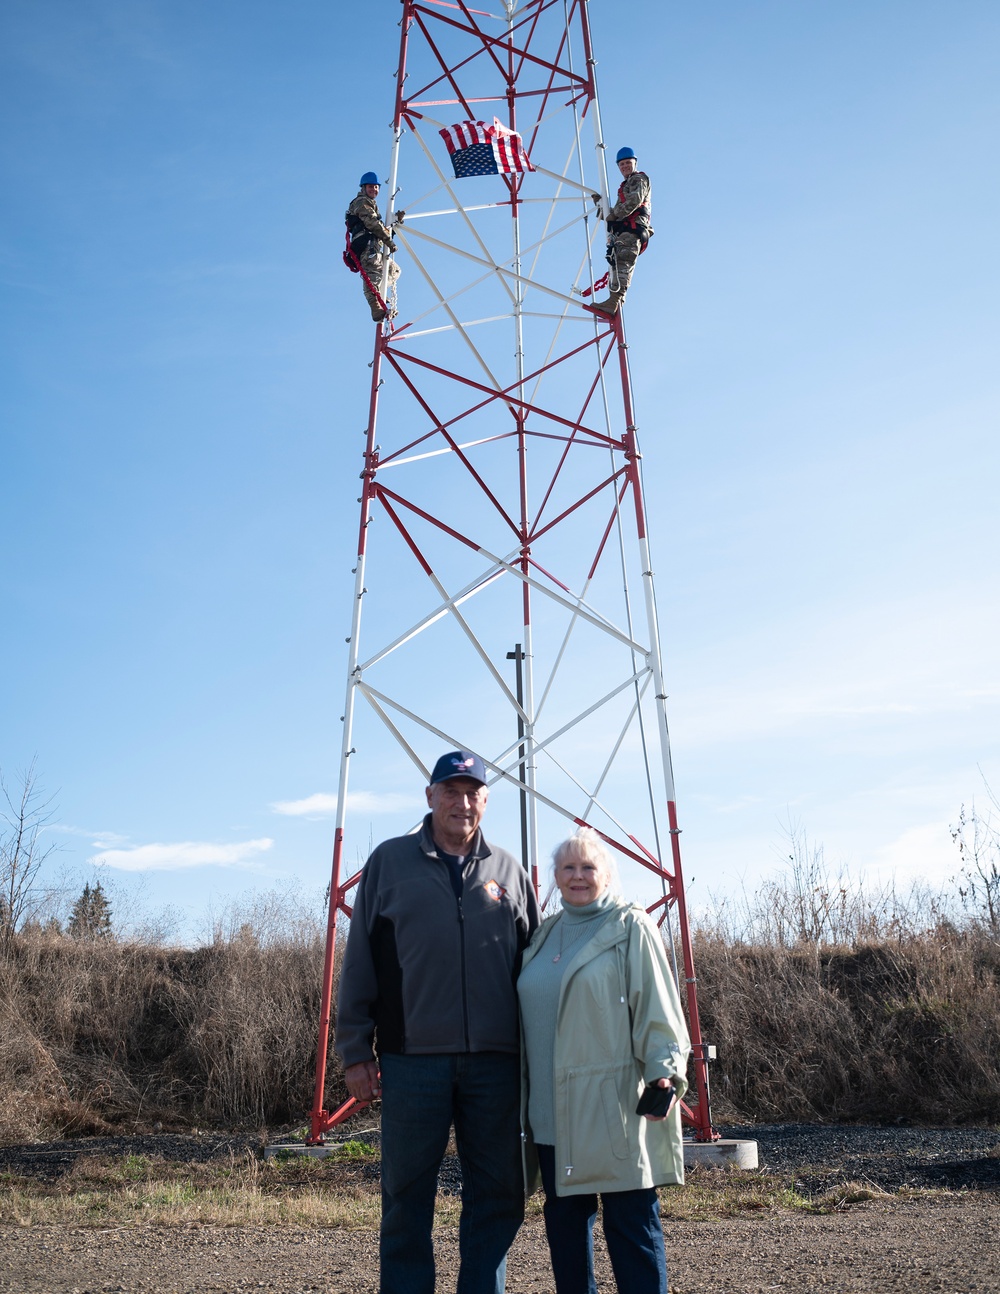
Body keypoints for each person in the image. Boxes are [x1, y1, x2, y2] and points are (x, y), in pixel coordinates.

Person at [336, 750, 541, 1294]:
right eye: (451, 790)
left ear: (486, 802)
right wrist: (356, 1051)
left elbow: (539, 969)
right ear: (430, 797)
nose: (462, 801)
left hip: (496, 1064)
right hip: (412, 1062)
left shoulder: (509, 871)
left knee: (498, 1195)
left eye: (473, 792)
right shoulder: (389, 862)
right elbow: (359, 961)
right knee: (406, 1198)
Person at [517, 828, 690, 1294]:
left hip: (612, 1109)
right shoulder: (543, 935)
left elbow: (659, 1007)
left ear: (607, 875)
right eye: (568, 868)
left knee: (632, 1229)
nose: (578, 876)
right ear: (554, 877)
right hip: (552, 1115)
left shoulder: (630, 927)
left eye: (588, 867)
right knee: (566, 1236)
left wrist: (665, 1072)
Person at [586, 146, 653, 317]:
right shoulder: (625, 185)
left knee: (623, 264)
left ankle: (614, 301)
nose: (625, 167)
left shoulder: (639, 179)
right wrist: (602, 208)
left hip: (632, 230)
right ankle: (613, 300)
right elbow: (615, 213)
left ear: (635, 163)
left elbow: (633, 202)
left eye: (628, 163)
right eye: (622, 164)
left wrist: (613, 214)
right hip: (624, 231)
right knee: (617, 264)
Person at [345, 171, 402, 322]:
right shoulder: (361, 202)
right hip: (366, 245)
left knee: (393, 270)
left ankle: (380, 294)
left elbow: (380, 227)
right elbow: (372, 223)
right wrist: (388, 241)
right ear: (363, 188)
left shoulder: (371, 204)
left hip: (374, 243)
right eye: (371, 187)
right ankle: (375, 306)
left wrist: (396, 223)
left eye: (376, 187)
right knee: (373, 274)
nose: (374, 190)